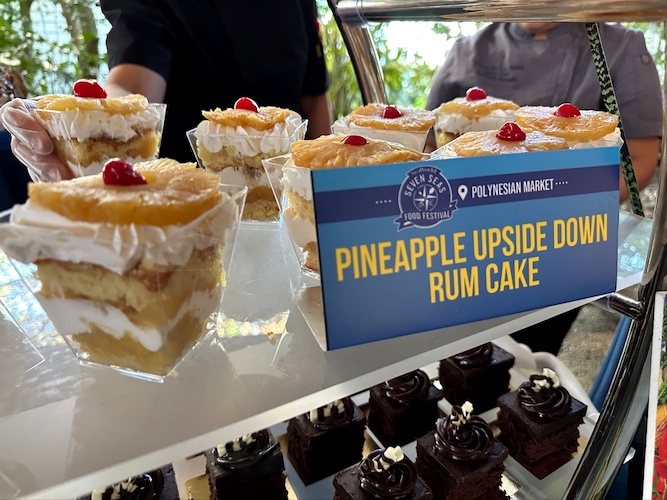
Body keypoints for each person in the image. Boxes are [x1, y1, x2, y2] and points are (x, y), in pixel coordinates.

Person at [426, 22, 663, 356]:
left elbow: (638, 159)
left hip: (559, 248)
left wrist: (556, 215)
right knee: (448, 348)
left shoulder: (619, 47)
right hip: (460, 243)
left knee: (527, 353)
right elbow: (429, 149)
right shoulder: (466, 49)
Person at [1, 0, 332, 181]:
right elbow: (131, 86)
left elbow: (314, 98)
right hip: (187, 225)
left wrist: (326, 195)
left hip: (287, 213)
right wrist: (82, 117)